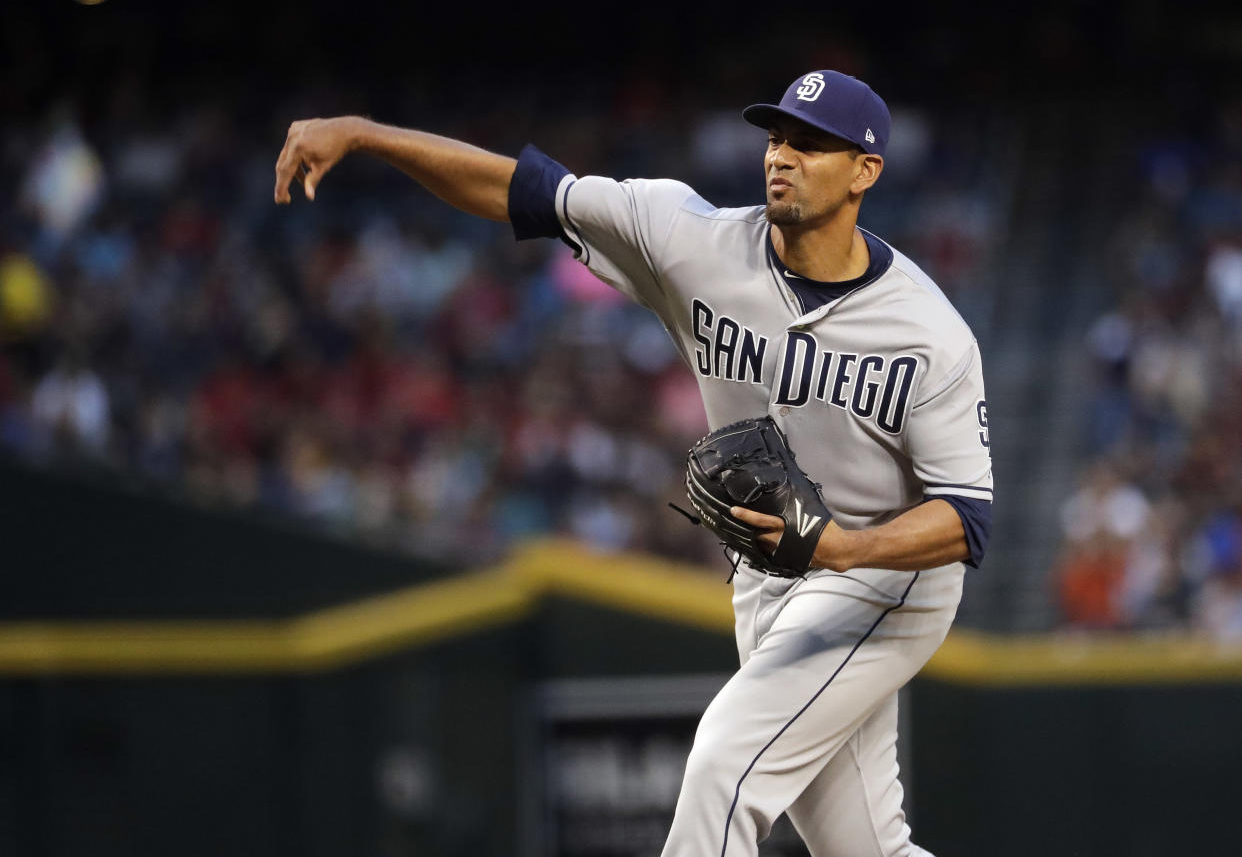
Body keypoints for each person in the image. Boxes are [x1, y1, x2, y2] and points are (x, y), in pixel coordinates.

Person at [274, 69, 993, 857]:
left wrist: (849, 550)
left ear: (866, 170)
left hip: (885, 577)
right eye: (778, 137)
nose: (782, 157)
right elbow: (522, 190)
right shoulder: (691, 238)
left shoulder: (930, 335)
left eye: (812, 145)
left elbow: (967, 518)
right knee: (863, 847)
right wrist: (367, 134)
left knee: (724, 767)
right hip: (770, 576)